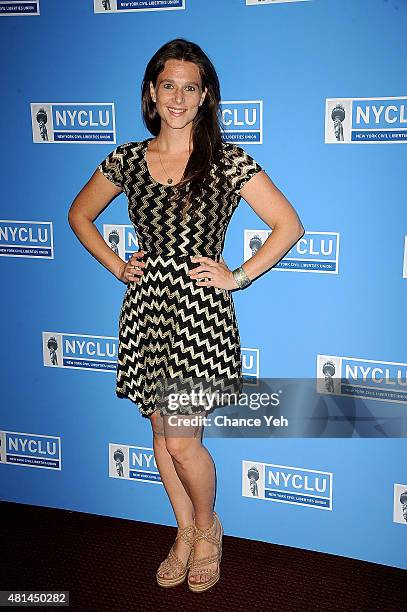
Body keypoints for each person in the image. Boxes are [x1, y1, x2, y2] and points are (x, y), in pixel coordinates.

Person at [68, 38, 304, 593]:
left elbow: (289, 226)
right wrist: (118, 265)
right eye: (167, 85)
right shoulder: (128, 158)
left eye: (189, 87)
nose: (177, 96)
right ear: (152, 92)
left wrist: (237, 275)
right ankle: (182, 532)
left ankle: (208, 527)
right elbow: (79, 214)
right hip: (147, 309)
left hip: (199, 313)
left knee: (180, 440)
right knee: (159, 433)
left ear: (204, 98)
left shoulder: (225, 159)